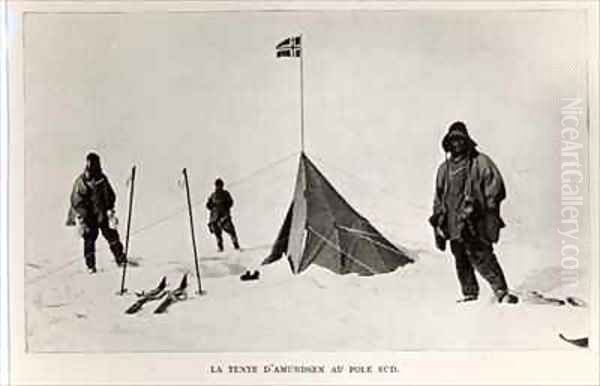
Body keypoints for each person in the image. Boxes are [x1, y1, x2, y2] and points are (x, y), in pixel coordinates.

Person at [429, 121, 518, 304]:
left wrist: (486, 206)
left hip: (474, 221)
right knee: (460, 258)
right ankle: (469, 293)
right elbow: (438, 196)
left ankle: (501, 292)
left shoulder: (480, 162)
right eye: (453, 140)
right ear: (448, 143)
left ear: (466, 141)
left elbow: (495, 186)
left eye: (460, 140)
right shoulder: (443, 170)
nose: (457, 144)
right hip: (453, 222)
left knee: (482, 255)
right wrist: (438, 218)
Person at [66, 152, 126, 273]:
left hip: (102, 214)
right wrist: (83, 216)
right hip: (89, 216)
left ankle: (120, 258)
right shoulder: (81, 181)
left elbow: (110, 194)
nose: (95, 168)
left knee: (111, 234)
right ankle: (90, 266)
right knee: (89, 238)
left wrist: (109, 209)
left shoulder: (102, 179)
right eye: (92, 165)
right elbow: (76, 201)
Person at [206, 178, 240, 252]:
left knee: (231, 231)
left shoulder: (225, 194)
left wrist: (225, 206)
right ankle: (220, 247)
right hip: (215, 218)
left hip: (224, 216)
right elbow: (208, 205)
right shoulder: (213, 195)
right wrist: (213, 207)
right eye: (217, 185)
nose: (218, 187)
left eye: (220, 185)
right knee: (218, 233)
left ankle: (235, 244)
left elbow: (230, 202)